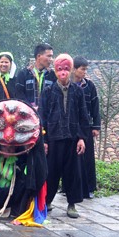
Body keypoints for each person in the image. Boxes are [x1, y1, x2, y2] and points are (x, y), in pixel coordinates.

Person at [38, 54, 89, 218]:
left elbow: (83, 116)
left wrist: (82, 137)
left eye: (66, 69)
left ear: (71, 70)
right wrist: (44, 140)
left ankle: (71, 204)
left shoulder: (78, 92)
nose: (63, 72)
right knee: (51, 172)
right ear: (55, 71)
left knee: (73, 172)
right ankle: (47, 201)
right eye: (60, 69)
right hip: (53, 138)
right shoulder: (48, 91)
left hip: (72, 138)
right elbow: (42, 117)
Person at [72, 56, 101, 199]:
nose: (84, 72)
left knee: (87, 157)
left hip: (86, 126)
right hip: (70, 126)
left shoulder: (89, 86)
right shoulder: (68, 85)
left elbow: (95, 106)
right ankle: (68, 187)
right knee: (70, 157)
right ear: (74, 69)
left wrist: (96, 126)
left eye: (85, 69)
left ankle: (88, 187)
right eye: (82, 69)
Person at [14, 43, 56, 108]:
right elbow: (19, 96)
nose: (51, 59)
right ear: (39, 56)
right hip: (28, 114)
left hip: (47, 115)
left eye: (51, 56)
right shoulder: (23, 74)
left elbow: (55, 97)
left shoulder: (53, 75)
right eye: (49, 56)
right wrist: (31, 108)